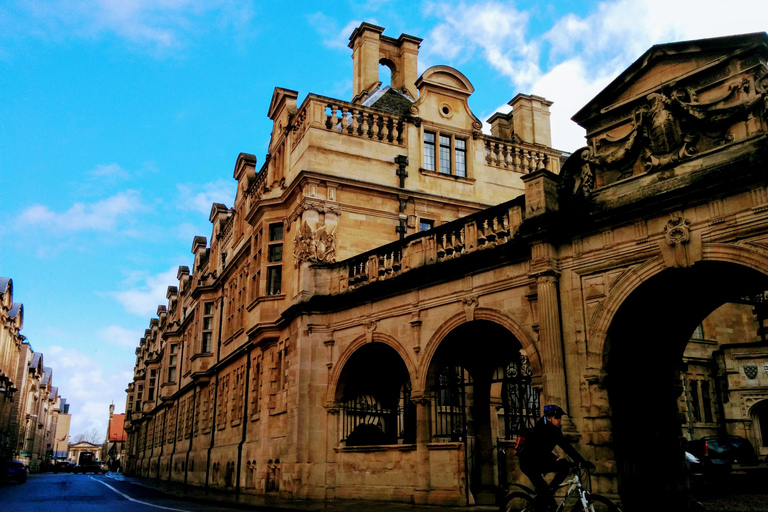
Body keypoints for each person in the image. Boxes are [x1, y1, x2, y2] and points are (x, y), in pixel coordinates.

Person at [517, 405, 594, 511]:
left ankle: (550, 491)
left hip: (539, 460)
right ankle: (545, 497)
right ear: (548, 417)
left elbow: (566, 446)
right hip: (529, 464)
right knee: (548, 497)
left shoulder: (555, 430)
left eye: (560, 417)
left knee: (564, 467)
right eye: (556, 417)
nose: (559, 420)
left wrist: (582, 461)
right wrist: (553, 459)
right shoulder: (541, 429)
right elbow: (539, 450)